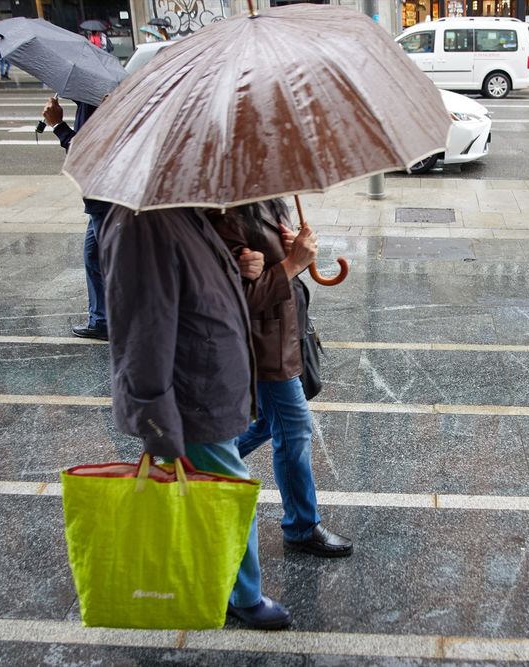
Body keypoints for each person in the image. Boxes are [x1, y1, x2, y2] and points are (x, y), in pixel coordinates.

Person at [99, 204, 292, 631]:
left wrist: (243, 266)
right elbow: (142, 333)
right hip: (189, 396)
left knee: (211, 494)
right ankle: (243, 595)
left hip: (206, 386)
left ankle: (212, 582)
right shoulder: (143, 224)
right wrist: (156, 420)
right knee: (228, 494)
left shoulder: (183, 214)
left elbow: (196, 288)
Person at [209, 200, 354, 558]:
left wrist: (293, 252)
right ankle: (302, 526)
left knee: (273, 424)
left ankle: (202, 461)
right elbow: (237, 299)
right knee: (294, 428)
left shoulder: (269, 201)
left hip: (286, 333)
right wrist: (292, 263)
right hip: (263, 344)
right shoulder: (226, 214)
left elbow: (275, 269)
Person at [42, 97, 110, 340]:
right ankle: (101, 320)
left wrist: (58, 125)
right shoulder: (87, 101)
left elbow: (86, 154)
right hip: (97, 198)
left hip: (106, 197)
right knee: (93, 257)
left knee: (111, 264)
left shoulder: (96, 103)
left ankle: (124, 322)